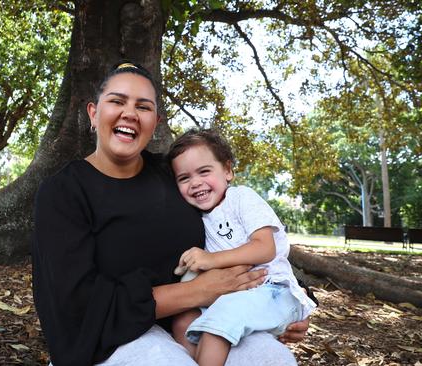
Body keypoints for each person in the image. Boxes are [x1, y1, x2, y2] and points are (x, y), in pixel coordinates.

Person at [32, 61, 309, 366]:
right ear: (93, 113)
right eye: (117, 101)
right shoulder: (63, 193)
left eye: (143, 106)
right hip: (112, 335)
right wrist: (198, 291)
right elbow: (77, 304)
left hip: (205, 316)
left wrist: (283, 298)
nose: (130, 114)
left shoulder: (174, 175)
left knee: (272, 359)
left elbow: (235, 224)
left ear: (155, 122)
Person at [167, 129, 317, 366]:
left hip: (273, 291)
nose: (195, 183)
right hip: (236, 296)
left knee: (218, 324)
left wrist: (210, 259)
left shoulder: (241, 198)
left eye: (204, 171)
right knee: (182, 322)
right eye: (184, 178)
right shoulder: (198, 216)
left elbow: (264, 248)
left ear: (228, 171)